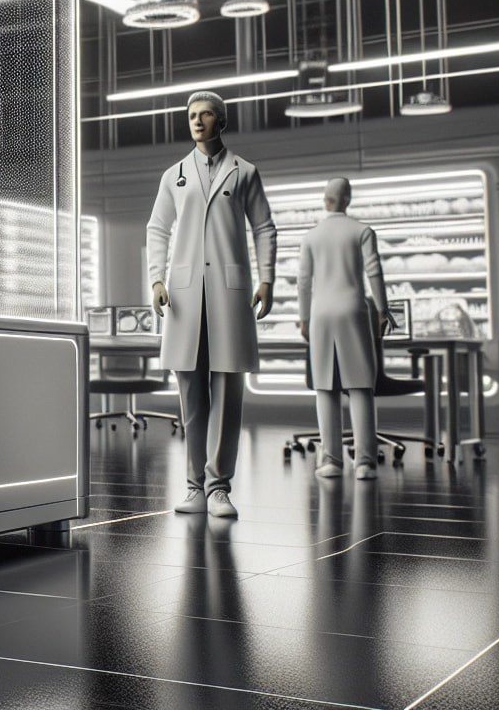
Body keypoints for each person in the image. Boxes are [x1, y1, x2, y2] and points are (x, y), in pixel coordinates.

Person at [146, 91, 277, 519]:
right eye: (191, 116)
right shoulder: (174, 176)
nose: (197, 122)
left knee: (227, 391)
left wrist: (268, 279)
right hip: (185, 297)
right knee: (191, 395)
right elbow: (157, 229)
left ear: (222, 122)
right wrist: (156, 278)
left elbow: (264, 227)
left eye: (205, 115)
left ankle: (219, 487)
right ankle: (193, 487)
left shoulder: (245, 173)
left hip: (229, 293)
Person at [296, 178, 388, 480]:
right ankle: (365, 462)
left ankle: (332, 461)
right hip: (353, 310)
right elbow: (374, 271)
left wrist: (304, 319)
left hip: (321, 313)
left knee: (325, 386)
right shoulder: (362, 231)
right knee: (361, 387)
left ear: (326, 200)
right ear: (347, 199)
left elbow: (304, 282)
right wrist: (383, 310)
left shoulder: (311, 236)